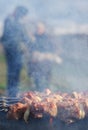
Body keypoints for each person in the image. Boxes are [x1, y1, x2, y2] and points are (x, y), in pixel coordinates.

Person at [1, 6, 29, 97]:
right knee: (12, 72)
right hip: (12, 51)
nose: (24, 17)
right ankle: (11, 93)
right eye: (23, 15)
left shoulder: (19, 22)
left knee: (16, 72)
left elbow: (24, 36)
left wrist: (28, 42)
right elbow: (7, 36)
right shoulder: (10, 20)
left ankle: (14, 91)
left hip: (18, 52)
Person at [28, 22, 62, 91]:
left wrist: (50, 55)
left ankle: (46, 95)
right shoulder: (33, 37)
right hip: (35, 64)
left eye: (39, 28)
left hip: (46, 64)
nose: (37, 30)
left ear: (44, 29)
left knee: (46, 83)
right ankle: (38, 94)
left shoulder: (48, 38)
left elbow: (57, 49)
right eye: (37, 28)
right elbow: (30, 49)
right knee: (37, 82)